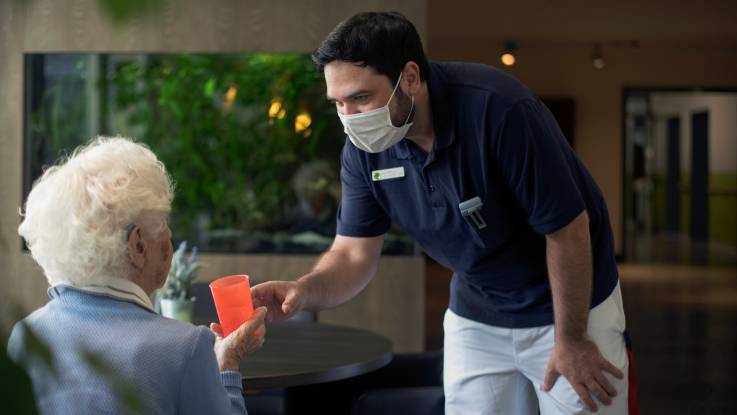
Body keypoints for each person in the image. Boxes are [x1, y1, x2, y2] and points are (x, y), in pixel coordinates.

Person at [252, 11, 629, 415]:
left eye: (361, 97)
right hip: (478, 314)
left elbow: (567, 230)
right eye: (338, 103)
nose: (350, 118)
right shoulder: (363, 152)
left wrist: (570, 340)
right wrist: (303, 292)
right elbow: (352, 255)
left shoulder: (499, 109)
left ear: (410, 78)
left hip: (570, 309)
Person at [8, 137, 267, 415]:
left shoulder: (25, 337)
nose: (169, 234)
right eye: (163, 220)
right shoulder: (184, 348)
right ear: (138, 244)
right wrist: (228, 365)